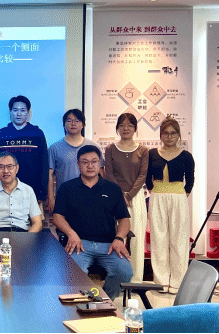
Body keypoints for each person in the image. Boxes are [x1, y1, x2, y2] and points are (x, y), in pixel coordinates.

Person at [53, 145, 133, 300]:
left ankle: (104, 301)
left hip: (109, 245)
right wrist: (71, 233)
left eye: (94, 161)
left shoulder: (113, 189)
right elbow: (57, 217)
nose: (90, 166)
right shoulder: (67, 188)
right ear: (78, 164)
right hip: (79, 244)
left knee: (125, 272)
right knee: (73, 273)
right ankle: (83, 303)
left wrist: (119, 238)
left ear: (100, 163)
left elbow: (124, 219)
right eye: (85, 162)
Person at [146, 116, 195, 295]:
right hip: (157, 197)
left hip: (178, 198)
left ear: (178, 135)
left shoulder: (186, 156)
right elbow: (147, 178)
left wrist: (179, 195)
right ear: (160, 135)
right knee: (158, 239)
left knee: (179, 240)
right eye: (165, 133)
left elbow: (190, 181)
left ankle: (177, 282)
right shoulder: (152, 154)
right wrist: (156, 191)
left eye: (173, 133)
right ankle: (161, 281)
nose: (169, 137)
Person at [105, 113, 149, 283]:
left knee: (136, 238)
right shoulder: (110, 149)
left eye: (130, 125)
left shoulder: (143, 150)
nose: (126, 128)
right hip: (114, 197)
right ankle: (119, 278)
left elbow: (143, 175)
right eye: (122, 125)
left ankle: (136, 278)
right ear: (117, 128)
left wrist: (129, 195)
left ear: (135, 129)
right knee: (117, 237)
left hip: (135, 197)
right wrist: (120, 195)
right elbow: (109, 173)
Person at [0, 95, 49, 208]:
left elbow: (43, 164)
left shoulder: (37, 134)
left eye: (22, 110)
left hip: (32, 192)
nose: (19, 114)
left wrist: (41, 193)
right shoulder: (1, 134)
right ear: (10, 112)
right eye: (15, 110)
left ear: (28, 112)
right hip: (5, 192)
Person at [47, 109, 102, 212]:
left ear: (83, 124)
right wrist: (51, 198)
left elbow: (101, 172)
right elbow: (49, 174)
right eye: (69, 120)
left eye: (77, 120)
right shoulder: (54, 148)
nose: (73, 123)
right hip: (64, 197)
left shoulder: (93, 147)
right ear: (64, 124)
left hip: (91, 195)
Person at [0, 152, 43, 233]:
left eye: (10, 166)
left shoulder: (28, 190)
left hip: (23, 234)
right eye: (1, 167)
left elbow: (37, 223)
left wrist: (27, 239)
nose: (6, 171)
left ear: (16, 168)